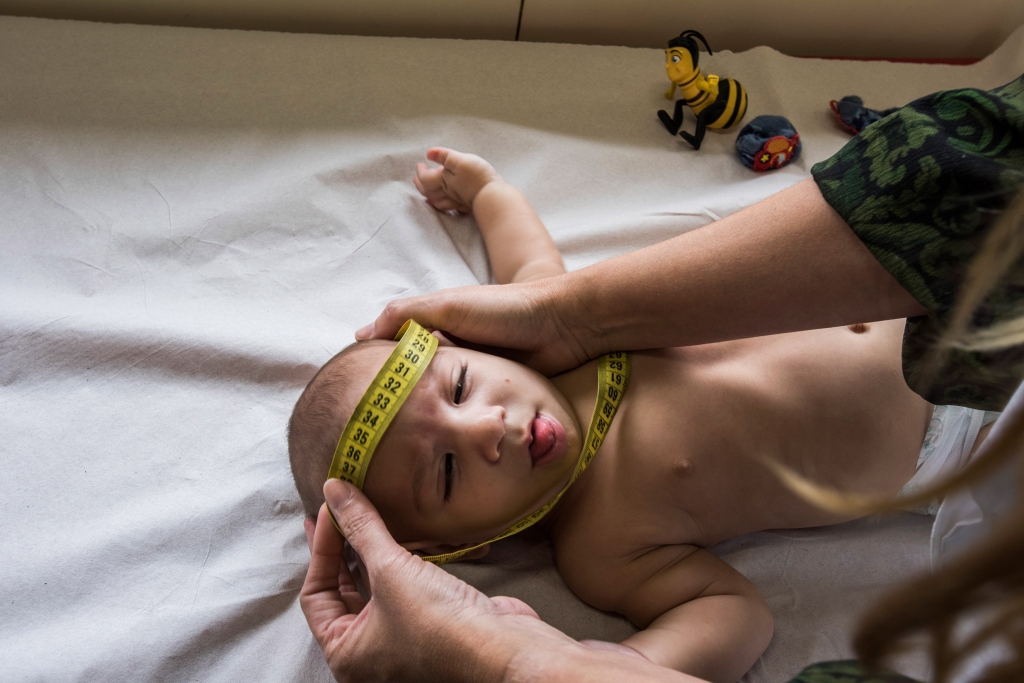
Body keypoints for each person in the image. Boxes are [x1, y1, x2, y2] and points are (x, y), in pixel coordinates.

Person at [302, 74, 1024, 683]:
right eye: (449, 472)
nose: (487, 425)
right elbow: (734, 612)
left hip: (938, 288)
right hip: (955, 440)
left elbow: (526, 271)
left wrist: (489, 192)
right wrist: (619, 660)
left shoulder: (557, 347)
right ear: (462, 549)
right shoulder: (601, 547)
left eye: (459, 385)